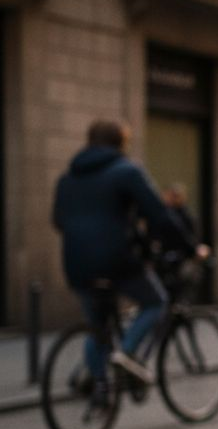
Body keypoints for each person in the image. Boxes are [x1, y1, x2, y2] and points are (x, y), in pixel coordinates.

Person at [52, 120, 187, 411]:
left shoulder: (67, 178)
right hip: (116, 260)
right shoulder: (127, 171)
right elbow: (159, 216)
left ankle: (100, 388)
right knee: (156, 301)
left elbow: (58, 221)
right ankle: (125, 355)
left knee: (98, 328)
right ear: (120, 142)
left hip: (77, 264)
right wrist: (190, 248)